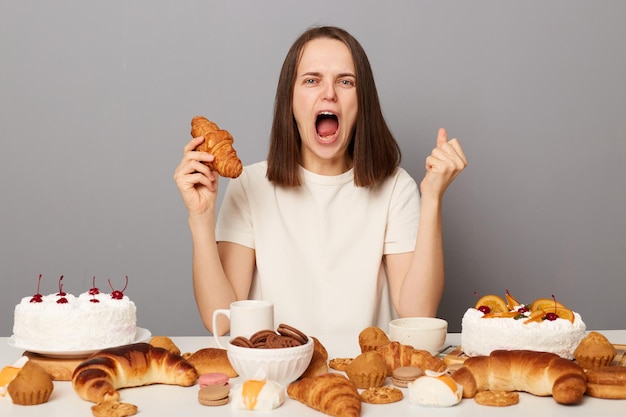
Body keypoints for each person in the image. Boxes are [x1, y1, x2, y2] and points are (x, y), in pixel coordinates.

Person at [174, 26, 467, 337]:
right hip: (275, 377)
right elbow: (222, 321)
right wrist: (201, 218)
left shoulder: (396, 188)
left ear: (362, 103)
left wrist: (433, 197)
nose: (329, 93)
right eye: (311, 80)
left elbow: (417, 314)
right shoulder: (250, 185)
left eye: (345, 81)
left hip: (364, 380)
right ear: (290, 100)